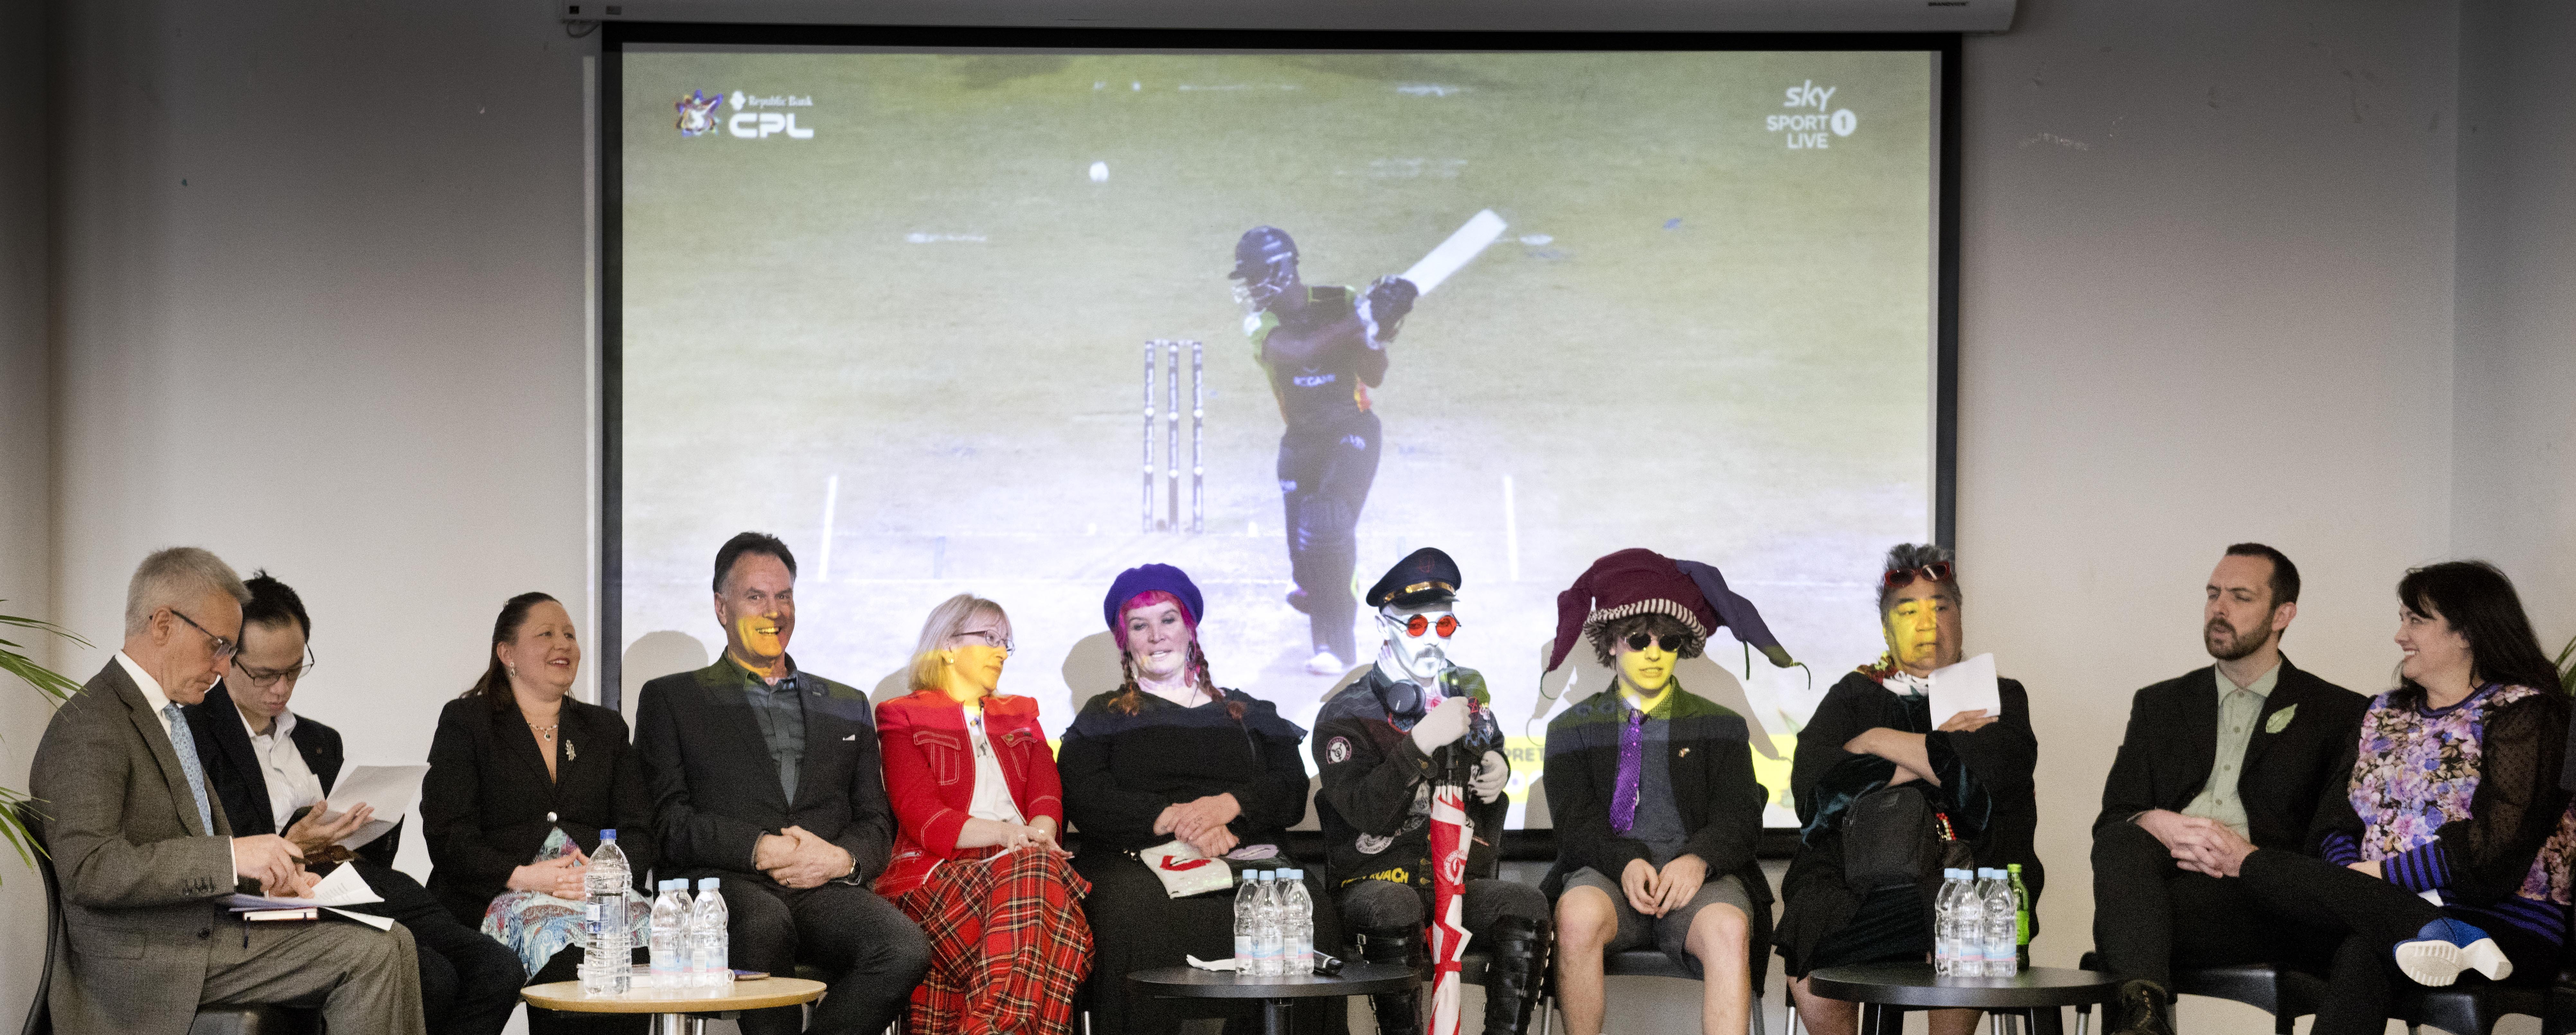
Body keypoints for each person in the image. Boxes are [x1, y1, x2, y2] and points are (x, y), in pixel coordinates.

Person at [29, 547, 426, 1035]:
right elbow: (89, 870)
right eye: (218, 646)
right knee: (374, 954)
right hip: (143, 964)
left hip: (204, 933)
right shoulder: (90, 724)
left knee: (396, 941)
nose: (223, 667)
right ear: (162, 625)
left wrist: (268, 885)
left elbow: (191, 854)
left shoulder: (168, 716)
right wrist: (233, 858)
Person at [2177, 561, 2576, 1035]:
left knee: (2364, 948)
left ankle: (2249, 862)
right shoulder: (2382, 711)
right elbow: (2335, 821)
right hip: (2368, 905)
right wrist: (2353, 878)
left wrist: (2379, 877)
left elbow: (2494, 846)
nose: (2399, 635)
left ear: (2467, 632)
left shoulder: (2526, 712)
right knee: (2236, 915)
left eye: (2416, 620)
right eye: (2402, 618)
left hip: (2503, 920)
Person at [186, 572, 526, 1035]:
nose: (281, 688)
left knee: (499, 969)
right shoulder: (196, 736)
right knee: (435, 979)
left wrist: (370, 820)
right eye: (265, 674)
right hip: (291, 899)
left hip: (359, 883)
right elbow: (218, 849)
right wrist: (294, 844)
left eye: (293, 670)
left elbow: (365, 848)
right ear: (228, 658)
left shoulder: (319, 740)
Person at [635, 532, 929, 1035]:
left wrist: (840, 859)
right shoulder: (673, 699)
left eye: (784, 595)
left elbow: (875, 820)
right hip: (724, 885)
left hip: (822, 885)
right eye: (755, 596)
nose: (774, 610)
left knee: (904, 949)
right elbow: (669, 821)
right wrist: (759, 848)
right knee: (765, 924)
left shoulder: (847, 703)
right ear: (721, 607)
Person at [2089, 545, 2367, 1035]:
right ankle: (2146, 1020)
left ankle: (2141, 1015)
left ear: (2283, 614)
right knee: (2122, 841)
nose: (2219, 608)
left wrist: (2248, 858)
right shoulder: (2160, 704)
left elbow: (2331, 842)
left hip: (2265, 903)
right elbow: (2114, 818)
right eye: (2213, 593)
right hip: (2167, 885)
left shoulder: (2337, 712)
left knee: (2127, 927)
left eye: (2240, 596)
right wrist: (2155, 821)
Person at [1057, 564, 1338, 1035]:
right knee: (1129, 915)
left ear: (1190, 627)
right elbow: (1084, 794)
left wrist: (1228, 806)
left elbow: (1291, 789)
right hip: (1135, 863)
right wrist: (1175, 819)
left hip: (1243, 853)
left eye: (1168, 619)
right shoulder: (1101, 716)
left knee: (1309, 907)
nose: (1157, 636)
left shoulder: (1249, 713)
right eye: (1140, 625)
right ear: (1124, 639)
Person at [1776, 544, 2038, 1035]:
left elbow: (1992, 782)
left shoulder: (1998, 695)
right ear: (1885, 626)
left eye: (1941, 606)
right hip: (1859, 884)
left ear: (1960, 616)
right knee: (1808, 920)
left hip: (1965, 875)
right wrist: (1940, 752)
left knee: (1969, 911)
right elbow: (1814, 792)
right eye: (1908, 610)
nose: (1927, 623)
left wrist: (1874, 743)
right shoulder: (1854, 695)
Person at [1542, 548, 1793, 1035]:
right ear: (1612, 642)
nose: (1654, 653)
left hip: (1701, 883)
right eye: (1639, 639)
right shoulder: (1570, 729)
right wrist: (1624, 862)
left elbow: (1741, 818)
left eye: (1669, 640)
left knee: (1729, 929)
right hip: (1607, 875)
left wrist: (1698, 859)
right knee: (1574, 916)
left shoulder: (1722, 725)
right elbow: (1574, 826)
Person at [1314, 548, 1547, 1035]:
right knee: (1394, 904)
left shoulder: (1468, 695)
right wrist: (1420, 741)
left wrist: (1498, 768)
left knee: (1526, 904)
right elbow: (1367, 812)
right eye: (1417, 625)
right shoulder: (1345, 713)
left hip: (1457, 881)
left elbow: (1491, 747)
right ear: (1384, 626)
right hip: (1376, 879)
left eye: (1444, 625)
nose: (1433, 639)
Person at [419, 591, 657, 1035]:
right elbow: (448, 833)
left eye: (569, 634)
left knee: (645, 947)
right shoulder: (468, 721)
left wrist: (605, 877)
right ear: (507, 653)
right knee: (570, 958)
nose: (563, 644)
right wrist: (525, 877)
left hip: (595, 893)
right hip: (501, 891)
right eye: (546, 634)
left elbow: (639, 829)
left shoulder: (606, 729)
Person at [875, 593, 1093, 1035]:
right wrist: (1012, 836)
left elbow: (1046, 792)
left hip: (1024, 869)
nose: (1001, 652)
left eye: (1005, 642)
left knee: (1032, 876)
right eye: (989, 638)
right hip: (939, 875)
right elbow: (923, 817)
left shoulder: (1022, 712)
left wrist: (1038, 835)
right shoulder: (902, 715)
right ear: (948, 645)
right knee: (1055, 918)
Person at [1231, 225, 1419, 674]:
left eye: (1256, 276)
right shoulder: (1261, 324)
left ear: (1282, 270)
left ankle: (1335, 647)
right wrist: (1362, 319)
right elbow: (1300, 351)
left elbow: (1373, 375)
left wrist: (1377, 332)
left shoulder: (1342, 301)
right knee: (1309, 561)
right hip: (1301, 442)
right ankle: (1312, 582)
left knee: (1328, 525)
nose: (1251, 287)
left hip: (1353, 429)